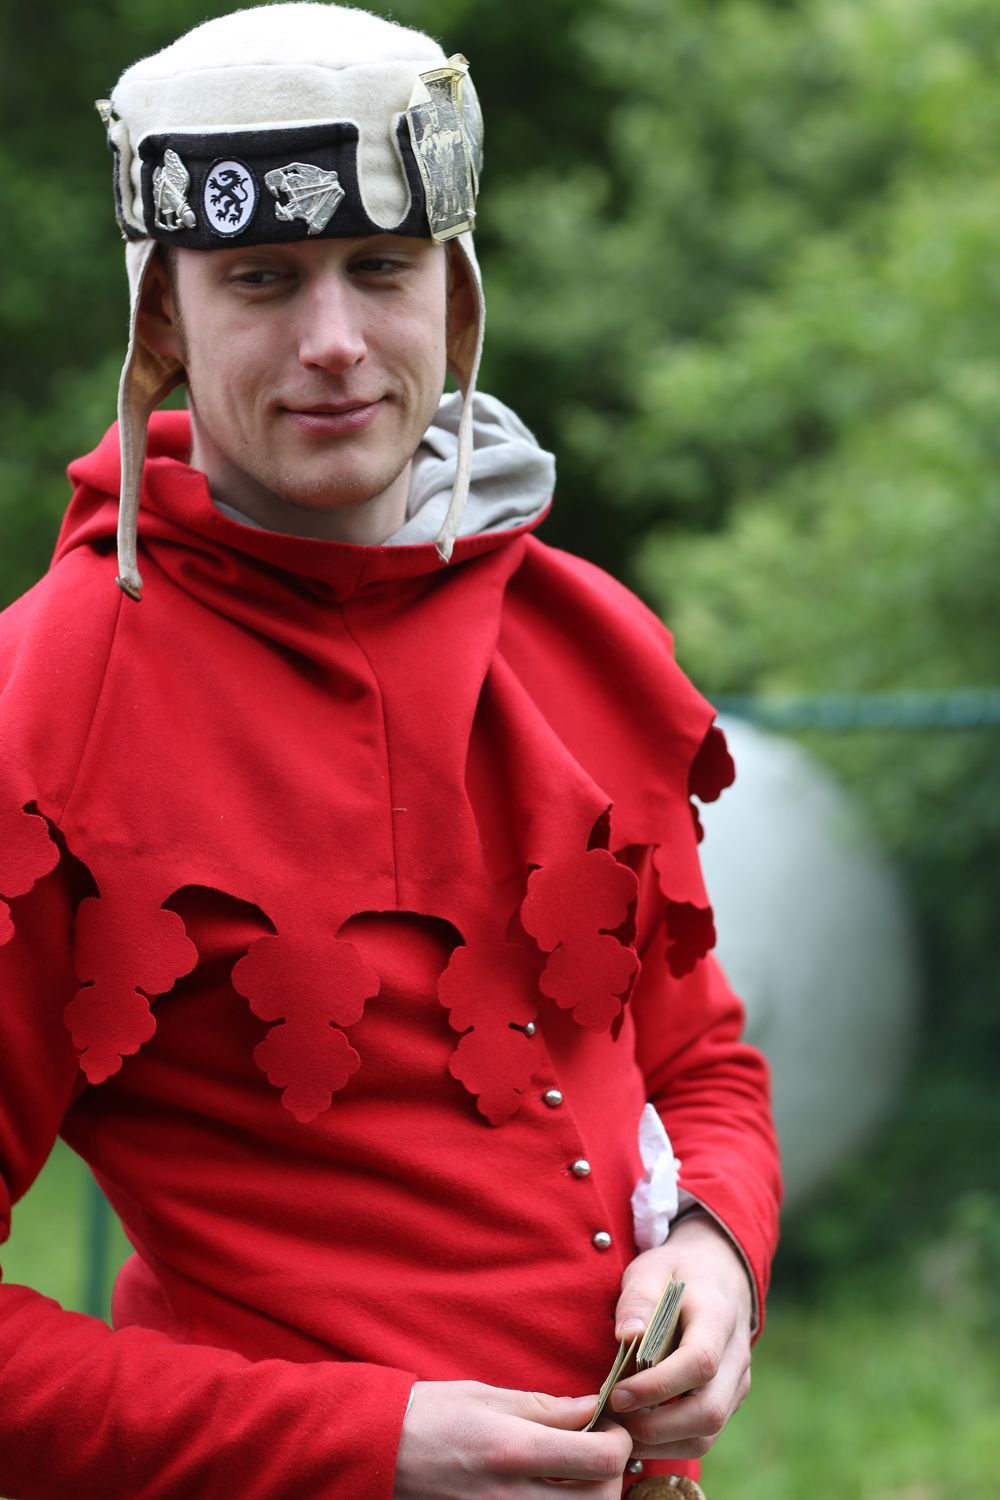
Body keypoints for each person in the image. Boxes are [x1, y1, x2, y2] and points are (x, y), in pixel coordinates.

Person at [0, 5, 781, 1497]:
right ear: (162, 323)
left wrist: (715, 1245)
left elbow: (696, 1059)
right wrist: (365, 1443)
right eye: (262, 279)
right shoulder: (46, 704)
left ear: (456, 294)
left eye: (382, 266)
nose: (335, 342)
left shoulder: (583, 630)